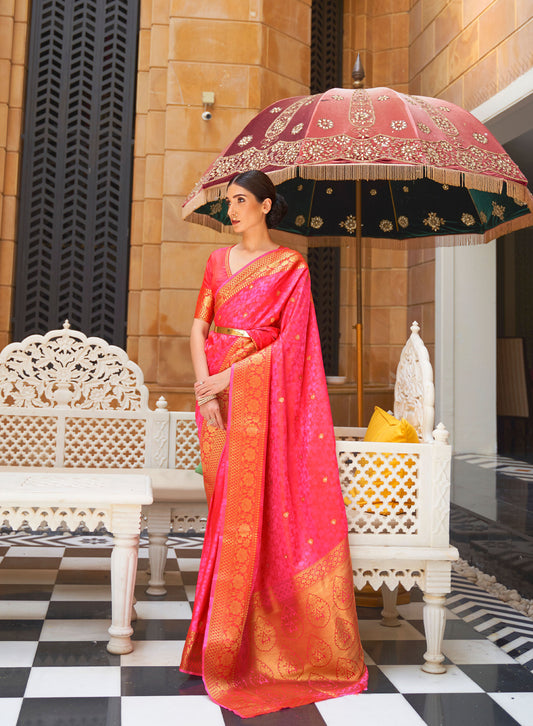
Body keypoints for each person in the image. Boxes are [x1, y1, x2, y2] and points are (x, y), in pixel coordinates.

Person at [180, 170, 367, 717]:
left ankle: (263, 644)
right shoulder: (218, 263)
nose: (232, 211)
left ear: (266, 205)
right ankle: (222, 638)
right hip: (214, 397)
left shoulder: (290, 267)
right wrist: (205, 388)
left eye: (241, 202)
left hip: (261, 398)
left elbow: (297, 347)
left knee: (260, 514)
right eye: (228, 202)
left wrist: (231, 380)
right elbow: (199, 327)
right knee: (224, 516)